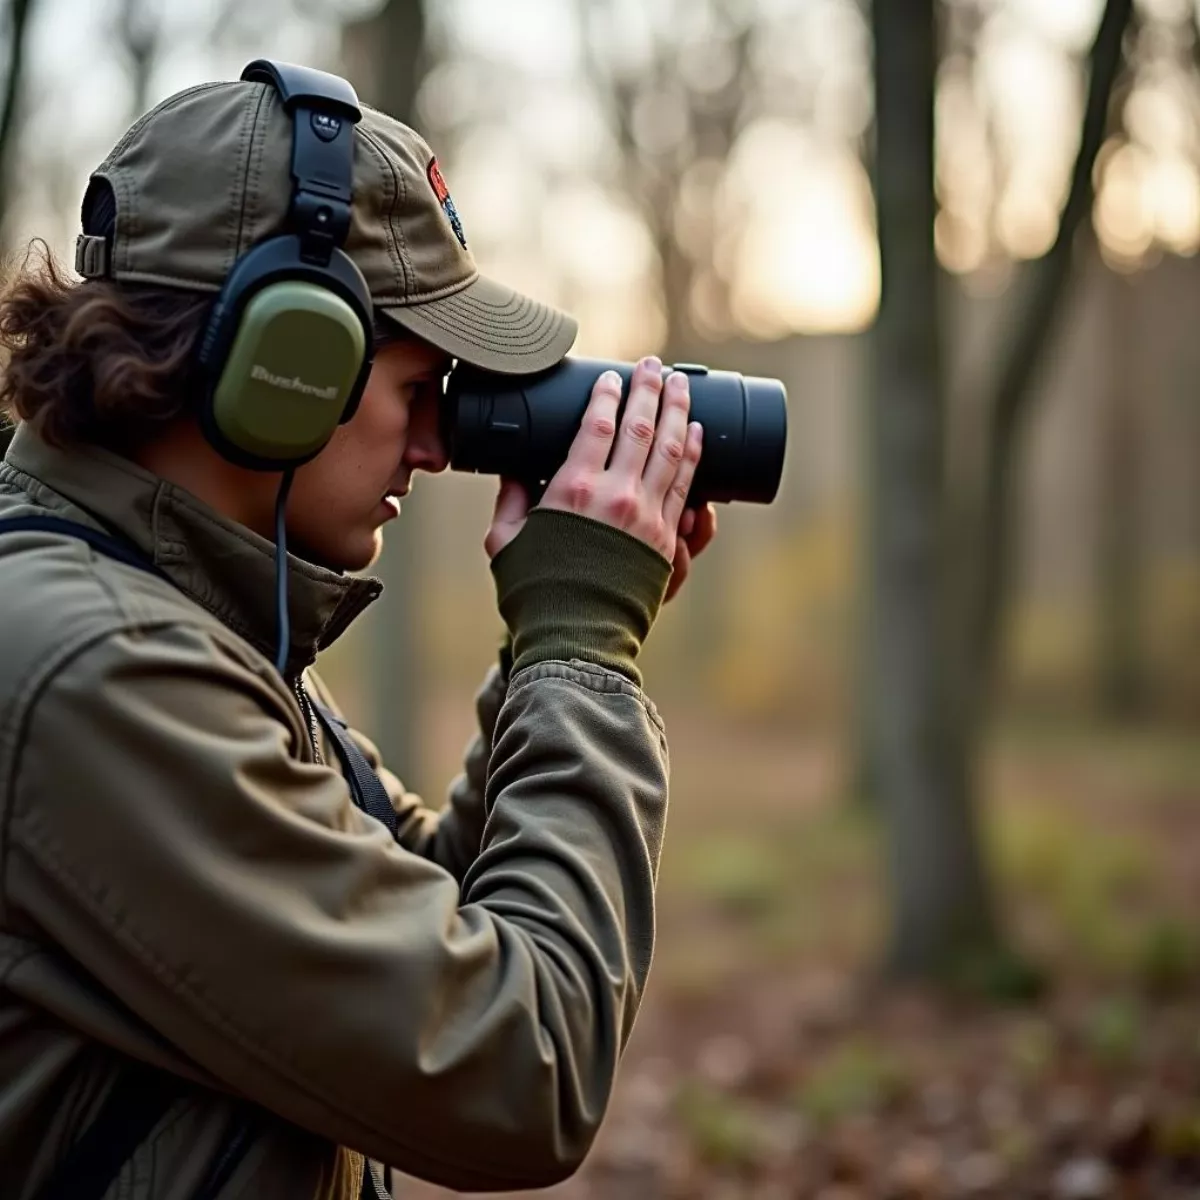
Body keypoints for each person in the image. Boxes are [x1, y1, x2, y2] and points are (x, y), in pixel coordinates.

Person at [0, 62, 716, 1200]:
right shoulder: (97, 664)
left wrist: (549, 643)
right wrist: (584, 645)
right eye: (419, 391)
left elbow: (405, 918)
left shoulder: (181, 612)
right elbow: (513, 1069)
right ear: (286, 367)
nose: (436, 449)